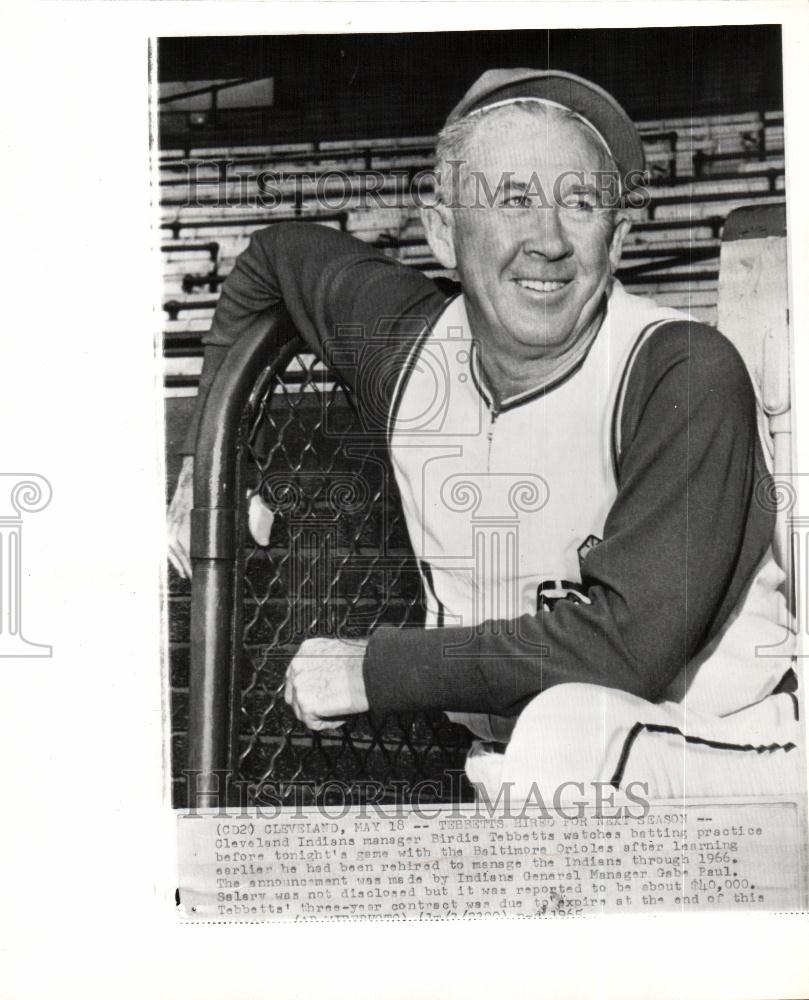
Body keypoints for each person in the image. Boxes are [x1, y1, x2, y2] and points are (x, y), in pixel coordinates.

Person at [168, 69, 800, 799]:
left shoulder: (680, 371)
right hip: (531, 777)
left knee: (565, 733)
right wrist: (204, 471)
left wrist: (373, 670)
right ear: (443, 231)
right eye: (515, 198)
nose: (549, 240)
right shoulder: (406, 351)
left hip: (728, 757)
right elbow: (274, 258)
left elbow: (621, 651)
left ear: (618, 238)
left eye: (581, 202)